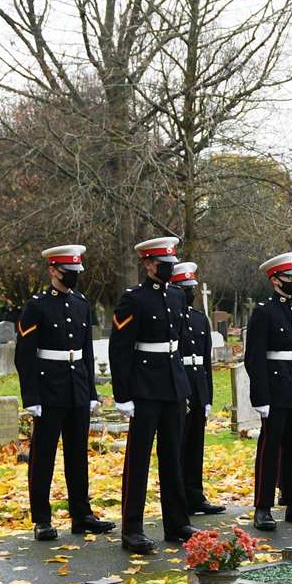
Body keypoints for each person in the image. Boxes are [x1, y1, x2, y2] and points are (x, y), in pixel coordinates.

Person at [17, 244, 112, 542]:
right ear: (52, 271)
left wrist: (92, 391)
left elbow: (85, 351)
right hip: (49, 388)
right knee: (43, 455)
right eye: (67, 272)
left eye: (75, 272)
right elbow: (25, 355)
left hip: (77, 387)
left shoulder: (82, 304)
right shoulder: (37, 306)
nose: (73, 277)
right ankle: (41, 519)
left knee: (77, 453)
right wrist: (31, 398)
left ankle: (81, 513)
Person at [110, 236, 195, 554]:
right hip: (145, 388)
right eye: (163, 264)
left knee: (173, 456)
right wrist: (123, 395)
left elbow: (180, 343)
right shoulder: (134, 299)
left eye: (172, 263)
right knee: (138, 460)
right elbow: (120, 349)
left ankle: (177, 523)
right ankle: (132, 528)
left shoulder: (176, 296)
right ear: (148, 264)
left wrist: (185, 385)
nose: (169, 269)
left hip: (173, 385)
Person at [244, 252, 292, 532]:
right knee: (270, 449)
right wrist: (260, 397)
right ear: (275, 280)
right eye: (290, 278)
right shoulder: (264, 311)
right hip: (275, 389)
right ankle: (262, 506)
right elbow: (255, 357)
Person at [169, 261, 224, 517]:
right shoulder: (170, 318)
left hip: (197, 384)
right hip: (178, 385)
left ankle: (195, 494)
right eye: (185, 288)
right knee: (178, 445)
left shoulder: (200, 319)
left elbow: (206, 361)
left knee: (195, 446)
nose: (190, 293)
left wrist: (208, 395)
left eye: (191, 287)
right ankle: (178, 497)